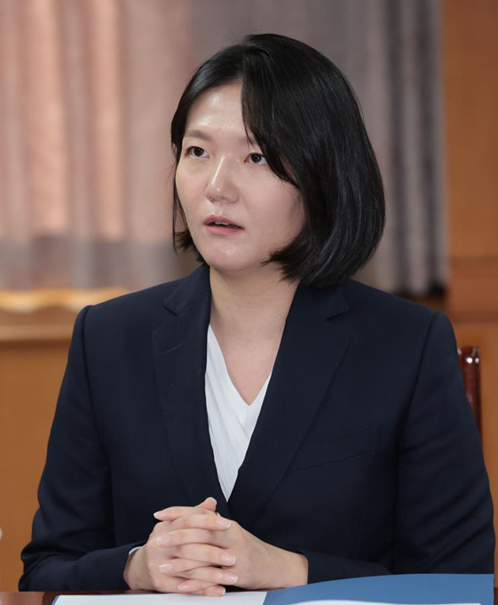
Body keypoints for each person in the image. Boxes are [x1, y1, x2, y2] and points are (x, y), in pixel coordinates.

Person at [20, 33, 494, 595]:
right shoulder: (107, 338)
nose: (217, 187)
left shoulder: (406, 346)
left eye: (257, 157)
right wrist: (134, 567)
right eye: (197, 152)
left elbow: (458, 588)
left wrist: (291, 572)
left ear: (323, 178)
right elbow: (46, 570)